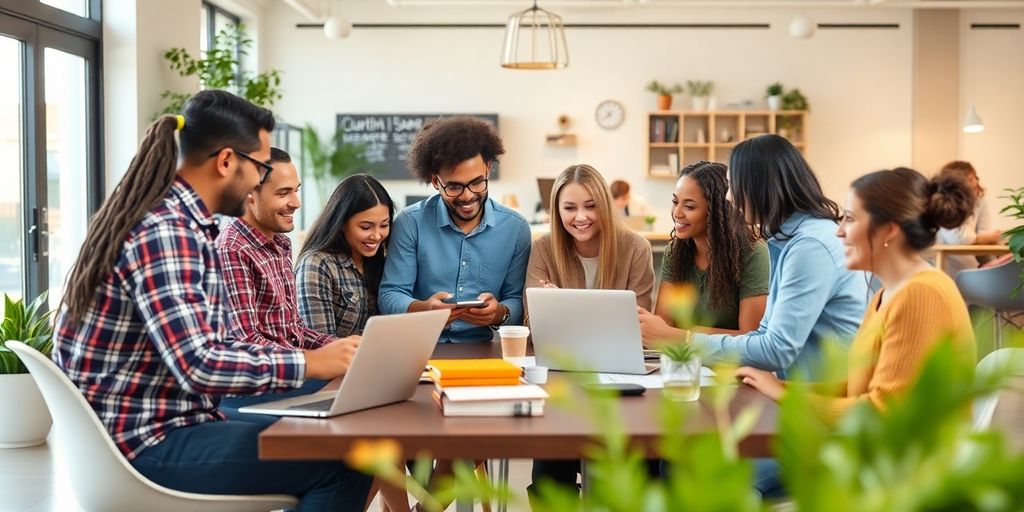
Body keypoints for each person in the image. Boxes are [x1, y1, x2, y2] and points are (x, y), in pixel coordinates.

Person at [52, 90, 371, 511]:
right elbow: (199, 363)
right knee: (350, 456)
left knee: (335, 435)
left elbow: (211, 344)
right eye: (259, 168)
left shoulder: (175, 221)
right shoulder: (168, 231)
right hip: (148, 444)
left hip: (160, 427)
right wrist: (310, 363)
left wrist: (324, 353)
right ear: (225, 162)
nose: (260, 182)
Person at [736, 167, 978, 498]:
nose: (839, 233)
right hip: (873, 453)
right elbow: (856, 386)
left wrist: (786, 396)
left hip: (903, 471)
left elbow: (881, 412)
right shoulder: (886, 293)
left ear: (888, 230)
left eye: (849, 219)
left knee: (731, 475)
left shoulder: (922, 294)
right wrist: (780, 385)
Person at [650, 134, 867, 380]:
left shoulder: (810, 246)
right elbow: (763, 336)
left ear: (760, 186)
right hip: (795, 390)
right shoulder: (787, 240)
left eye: (733, 185)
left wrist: (681, 338)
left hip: (822, 398)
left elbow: (776, 350)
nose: (728, 198)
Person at [525, 164, 656, 504]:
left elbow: (639, 323)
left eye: (590, 206)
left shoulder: (634, 248)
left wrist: (564, 309)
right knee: (550, 474)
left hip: (618, 378)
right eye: (569, 208)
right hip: (561, 378)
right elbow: (530, 320)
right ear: (556, 210)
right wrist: (547, 309)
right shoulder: (544, 248)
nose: (580, 217)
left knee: (630, 468)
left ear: (605, 205)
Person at [378, 116, 531, 343]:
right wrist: (423, 309)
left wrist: (499, 313)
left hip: (485, 349)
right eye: (454, 187)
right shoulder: (410, 223)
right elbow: (390, 294)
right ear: (435, 182)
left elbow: (517, 300)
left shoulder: (515, 229)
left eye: (477, 182)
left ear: (488, 168)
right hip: (420, 346)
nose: (467, 196)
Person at [636, 160, 769, 338]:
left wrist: (685, 335)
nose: (677, 213)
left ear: (718, 212)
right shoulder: (675, 251)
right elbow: (663, 325)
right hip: (680, 358)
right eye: (675, 202)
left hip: (729, 364)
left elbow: (751, 337)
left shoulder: (753, 253)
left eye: (689, 206)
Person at [296, 173, 394, 338]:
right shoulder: (317, 265)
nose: (377, 236)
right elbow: (319, 343)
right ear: (341, 223)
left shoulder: (381, 260)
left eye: (384, 225)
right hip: (338, 363)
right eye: (365, 227)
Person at [933, 160, 1002, 276]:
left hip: (970, 270)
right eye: (969, 179)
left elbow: (986, 240)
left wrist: (994, 268)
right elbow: (956, 237)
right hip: (945, 270)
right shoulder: (945, 204)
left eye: (975, 178)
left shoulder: (980, 203)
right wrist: (980, 238)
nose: (975, 182)